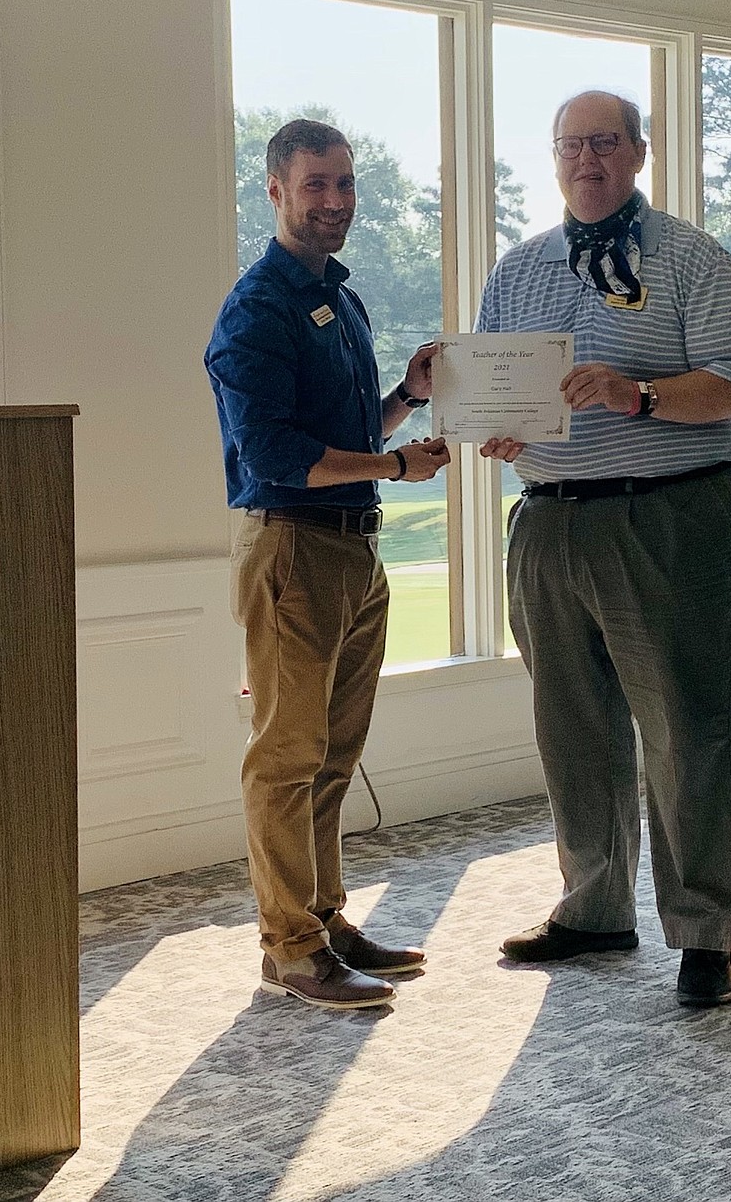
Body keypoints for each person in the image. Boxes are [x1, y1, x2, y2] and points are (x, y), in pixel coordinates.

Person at [476, 90, 731, 1007]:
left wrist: (638, 395)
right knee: (573, 727)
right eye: (570, 146)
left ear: (639, 153)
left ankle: (703, 936)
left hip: (665, 518)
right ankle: (595, 907)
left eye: (604, 144)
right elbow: (495, 386)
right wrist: (493, 426)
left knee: (687, 725)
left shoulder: (689, 256)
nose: (586, 161)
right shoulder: (519, 268)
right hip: (545, 519)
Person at [205, 118, 450, 1011]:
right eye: (316, 185)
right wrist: (396, 466)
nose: (335, 202)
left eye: (345, 185)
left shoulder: (340, 302)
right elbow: (274, 454)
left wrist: (407, 401)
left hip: (354, 548)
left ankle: (322, 917)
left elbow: (346, 438)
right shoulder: (257, 309)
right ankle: (291, 948)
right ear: (274, 189)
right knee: (286, 754)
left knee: (334, 755)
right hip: (292, 551)